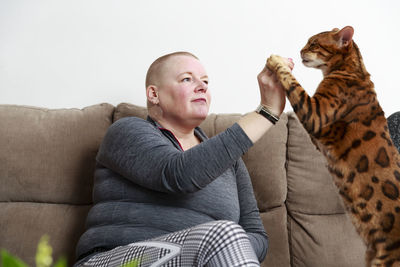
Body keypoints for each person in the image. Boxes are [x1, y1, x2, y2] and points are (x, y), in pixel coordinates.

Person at [74, 51, 294, 267]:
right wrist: (266, 112)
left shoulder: (231, 162)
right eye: (187, 79)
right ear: (154, 94)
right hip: (117, 260)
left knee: (226, 235)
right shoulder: (126, 131)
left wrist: (219, 248)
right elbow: (179, 174)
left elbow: (257, 237)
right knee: (223, 232)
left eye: (205, 81)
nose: (202, 86)